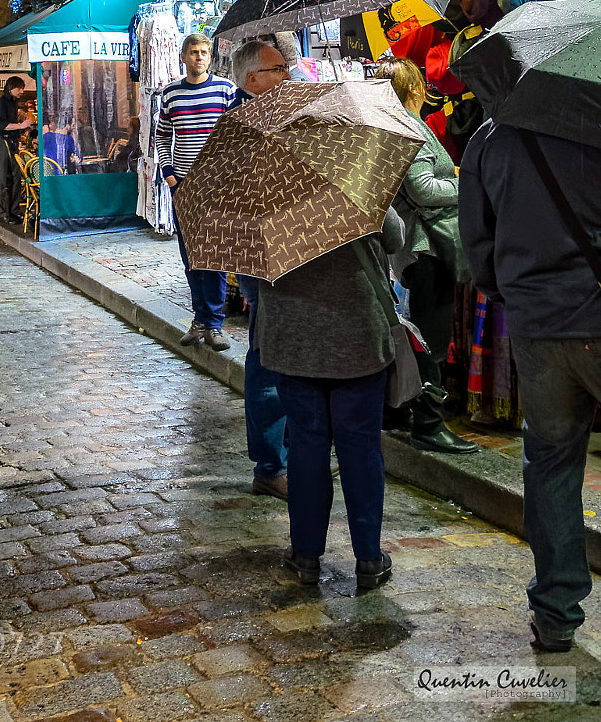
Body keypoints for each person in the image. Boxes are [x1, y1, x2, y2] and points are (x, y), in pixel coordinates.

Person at [460, 117, 601, 653]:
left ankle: (557, 613)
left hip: (538, 323)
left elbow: (480, 244)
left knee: (550, 462)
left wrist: (514, 293)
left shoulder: (489, 139)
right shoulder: (591, 115)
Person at [257, 201, 406, 592]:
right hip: (357, 337)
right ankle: (370, 559)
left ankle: (306, 556)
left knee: (306, 446)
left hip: (292, 338)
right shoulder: (354, 182)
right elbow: (395, 237)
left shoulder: (263, 191)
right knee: (361, 449)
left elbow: (249, 265)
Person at [376, 58, 476, 455]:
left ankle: (401, 411)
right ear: (415, 89)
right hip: (425, 246)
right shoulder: (410, 127)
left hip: (417, 247)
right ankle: (430, 425)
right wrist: (466, 182)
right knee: (431, 335)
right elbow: (424, 191)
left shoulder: (392, 125)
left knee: (419, 329)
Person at [229, 38, 292, 499]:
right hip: (262, 254)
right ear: (253, 79)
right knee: (268, 358)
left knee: (278, 353)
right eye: (278, 68)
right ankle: (272, 465)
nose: (286, 75)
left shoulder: (264, 116)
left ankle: (284, 456)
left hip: (275, 252)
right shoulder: (243, 123)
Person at [157, 33, 236, 352]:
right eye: (193, 52)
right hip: (184, 188)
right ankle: (200, 319)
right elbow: (161, 135)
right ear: (183, 56)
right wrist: (170, 176)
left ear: (209, 57)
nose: (199, 57)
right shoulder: (170, 93)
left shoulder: (225, 90)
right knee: (191, 258)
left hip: (215, 188)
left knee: (213, 255)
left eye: (204, 52)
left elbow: (235, 135)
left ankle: (215, 324)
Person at [0, 77, 32, 223]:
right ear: (10, 88)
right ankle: (2, 214)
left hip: (12, 142)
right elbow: (1, 125)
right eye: (19, 88)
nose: (22, 91)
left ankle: (14, 211)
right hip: (1, 142)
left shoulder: (14, 104)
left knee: (16, 177)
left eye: (22, 88)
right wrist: (20, 126)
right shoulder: (0, 103)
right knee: (1, 179)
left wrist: (20, 130)